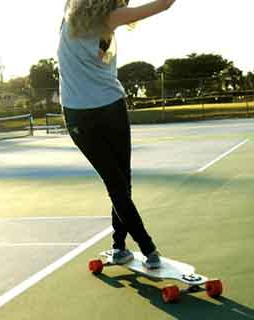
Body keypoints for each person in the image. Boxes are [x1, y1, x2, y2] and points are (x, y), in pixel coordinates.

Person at [57, 0, 176, 269]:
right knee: (121, 182)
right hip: (111, 107)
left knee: (117, 183)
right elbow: (165, 4)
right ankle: (148, 249)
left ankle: (120, 247)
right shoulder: (111, 18)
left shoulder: (66, 20)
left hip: (77, 114)